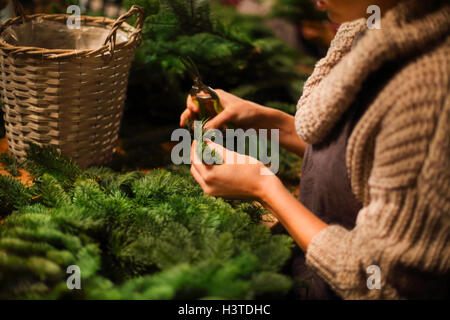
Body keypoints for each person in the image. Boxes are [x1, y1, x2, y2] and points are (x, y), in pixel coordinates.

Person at [180, 0, 449, 299]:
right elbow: (360, 154)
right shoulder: (371, 23)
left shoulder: (433, 93)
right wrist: (269, 122)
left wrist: (265, 189)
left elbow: (379, 279)